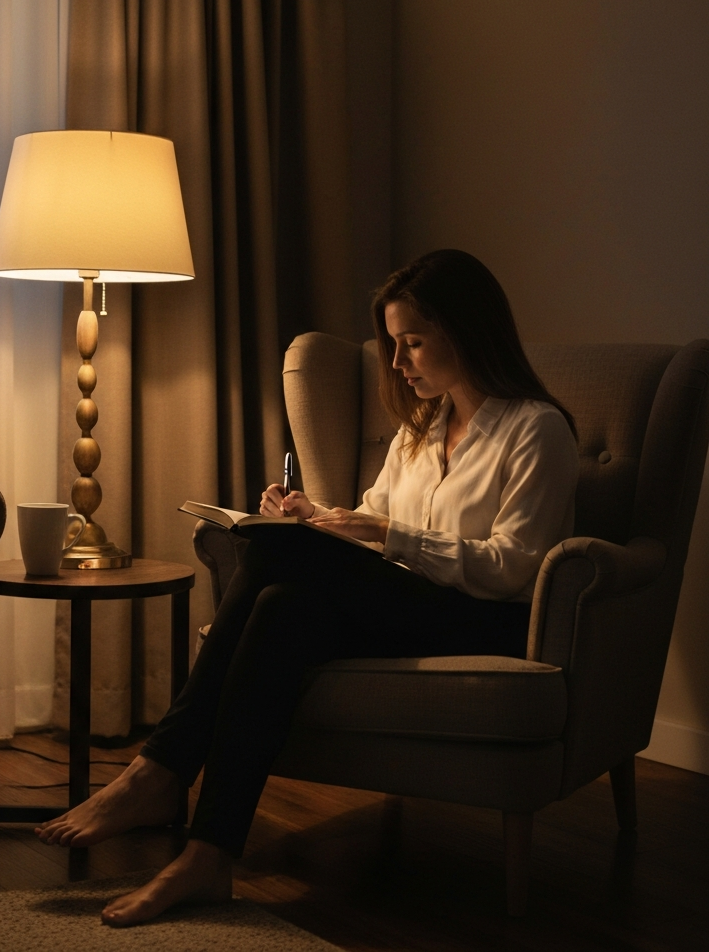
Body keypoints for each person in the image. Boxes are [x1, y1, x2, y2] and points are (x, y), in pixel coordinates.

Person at [35, 249, 580, 927]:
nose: (400, 361)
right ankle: (209, 855)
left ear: (466, 331)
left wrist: (380, 533)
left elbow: (513, 568)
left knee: (274, 560)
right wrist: (316, 518)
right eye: (394, 343)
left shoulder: (536, 429)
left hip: (487, 618)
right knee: (282, 605)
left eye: (412, 342)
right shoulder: (419, 432)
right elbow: (371, 520)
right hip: (405, 605)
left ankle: (159, 770)